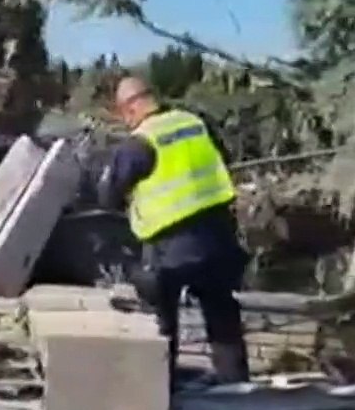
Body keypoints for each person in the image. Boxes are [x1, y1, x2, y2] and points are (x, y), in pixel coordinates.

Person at [97, 76, 250, 386]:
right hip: (218, 236)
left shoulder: (140, 142)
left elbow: (107, 196)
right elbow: (222, 159)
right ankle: (237, 389)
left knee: (162, 322)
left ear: (131, 107)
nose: (127, 121)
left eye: (124, 114)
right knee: (222, 316)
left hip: (170, 247)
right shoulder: (195, 123)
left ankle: (161, 392)